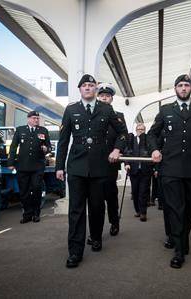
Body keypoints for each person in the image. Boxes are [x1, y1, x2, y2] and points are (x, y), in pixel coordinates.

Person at [56, 74, 127, 268]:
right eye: (84, 85)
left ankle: (96, 237)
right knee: (76, 211)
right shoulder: (71, 110)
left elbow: (122, 133)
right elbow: (63, 142)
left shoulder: (107, 109)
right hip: (77, 166)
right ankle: (75, 251)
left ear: (95, 89)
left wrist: (116, 149)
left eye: (91, 85)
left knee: (96, 207)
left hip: (99, 166)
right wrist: (59, 167)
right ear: (80, 89)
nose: (88, 88)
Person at [147, 74, 191, 269]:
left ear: (190, 88)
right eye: (180, 85)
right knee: (176, 209)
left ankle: (182, 238)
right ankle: (179, 249)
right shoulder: (166, 110)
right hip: (171, 168)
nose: (184, 88)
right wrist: (154, 149)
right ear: (175, 89)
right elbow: (152, 134)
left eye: (186, 85)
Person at [87, 82, 126, 242]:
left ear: (111, 99)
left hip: (110, 163)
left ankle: (114, 222)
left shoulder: (118, 115)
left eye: (107, 96)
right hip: (93, 164)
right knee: (95, 200)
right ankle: (96, 232)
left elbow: (123, 136)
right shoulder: (91, 113)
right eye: (101, 95)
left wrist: (117, 150)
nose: (104, 98)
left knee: (110, 196)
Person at [7, 111, 51, 224]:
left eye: (37, 118)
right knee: (23, 192)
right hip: (23, 166)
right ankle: (27, 214)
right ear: (28, 119)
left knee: (36, 189)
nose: (36, 120)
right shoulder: (20, 130)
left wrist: (47, 149)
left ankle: (36, 214)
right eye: (34, 118)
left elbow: (49, 147)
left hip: (38, 166)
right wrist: (10, 163)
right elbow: (13, 147)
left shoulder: (43, 131)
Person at [125, 123, 153, 222]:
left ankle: (143, 212)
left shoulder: (148, 140)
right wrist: (127, 163)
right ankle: (137, 210)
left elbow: (152, 151)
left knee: (143, 192)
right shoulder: (131, 140)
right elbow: (127, 152)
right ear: (136, 130)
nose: (140, 131)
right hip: (134, 170)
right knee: (136, 192)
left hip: (145, 170)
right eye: (139, 129)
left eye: (142, 129)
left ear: (145, 130)